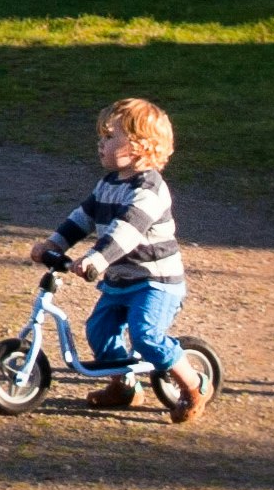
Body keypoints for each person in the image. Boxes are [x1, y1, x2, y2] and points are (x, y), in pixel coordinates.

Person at [39, 96, 195, 416]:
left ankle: (193, 386)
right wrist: (54, 243)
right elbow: (81, 218)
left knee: (146, 336)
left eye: (110, 138)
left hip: (156, 281)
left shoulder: (150, 189)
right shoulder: (108, 183)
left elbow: (127, 232)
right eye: (102, 137)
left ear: (139, 146)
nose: (101, 144)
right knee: (99, 331)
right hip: (120, 280)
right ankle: (125, 387)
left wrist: (97, 258)